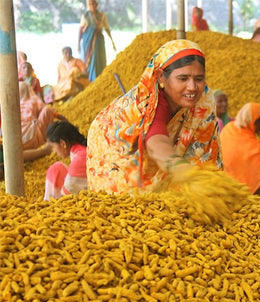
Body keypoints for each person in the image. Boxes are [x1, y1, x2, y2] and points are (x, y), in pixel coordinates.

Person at [87, 39, 222, 193]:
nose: (192, 87)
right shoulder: (151, 102)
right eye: (183, 79)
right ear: (161, 77)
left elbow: (204, 149)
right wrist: (177, 165)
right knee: (129, 201)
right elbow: (156, 143)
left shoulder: (203, 99)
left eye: (198, 79)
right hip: (114, 144)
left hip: (164, 154)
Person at [0, 81, 67, 162]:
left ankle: (43, 149)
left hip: (18, 139)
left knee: (15, 154)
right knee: (48, 109)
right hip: (32, 135)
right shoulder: (32, 100)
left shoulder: (12, 106)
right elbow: (47, 110)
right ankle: (46, 147)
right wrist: (59, 116)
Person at [44, 121, 88, 200]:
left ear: (63, 144)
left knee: (55, 170)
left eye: (53, 147)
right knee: (58, 168)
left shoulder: (80, 158)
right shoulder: (81, 150)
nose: (54, 151)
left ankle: (48, 202)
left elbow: (65, 199)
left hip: (94, 199)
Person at [78, 0, 116, 82]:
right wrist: (78, 44)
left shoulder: (102, 16)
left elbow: (107, 29)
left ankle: (101, 79)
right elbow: (81, 30)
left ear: (96, 4)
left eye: (93, 3)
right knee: (92, 60)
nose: (91, 6)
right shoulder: (85, 16)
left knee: (101, 59)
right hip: (89, 42)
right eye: (89, 4)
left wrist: (112, 41)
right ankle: (91, 80)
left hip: (99, 40)